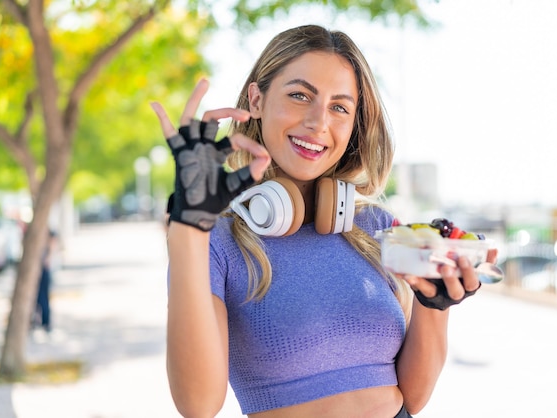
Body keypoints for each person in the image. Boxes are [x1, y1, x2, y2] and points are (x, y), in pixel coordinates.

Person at [151, 24, 498, 418]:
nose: (319, 122)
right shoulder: (215, 241)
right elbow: (197, 405)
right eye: (300, 95)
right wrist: (188, 226)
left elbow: (413, 397)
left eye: (339, 107)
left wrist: (434, 306)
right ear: (257, 99)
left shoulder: (377, 227)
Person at [33, 229, 57, 333]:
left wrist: (48, 258)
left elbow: (53, 240)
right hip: (40, 270)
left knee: (43, 298)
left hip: (43, 270)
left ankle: (45, 322)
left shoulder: (48, 236)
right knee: (39, 298)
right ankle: (42, 321)